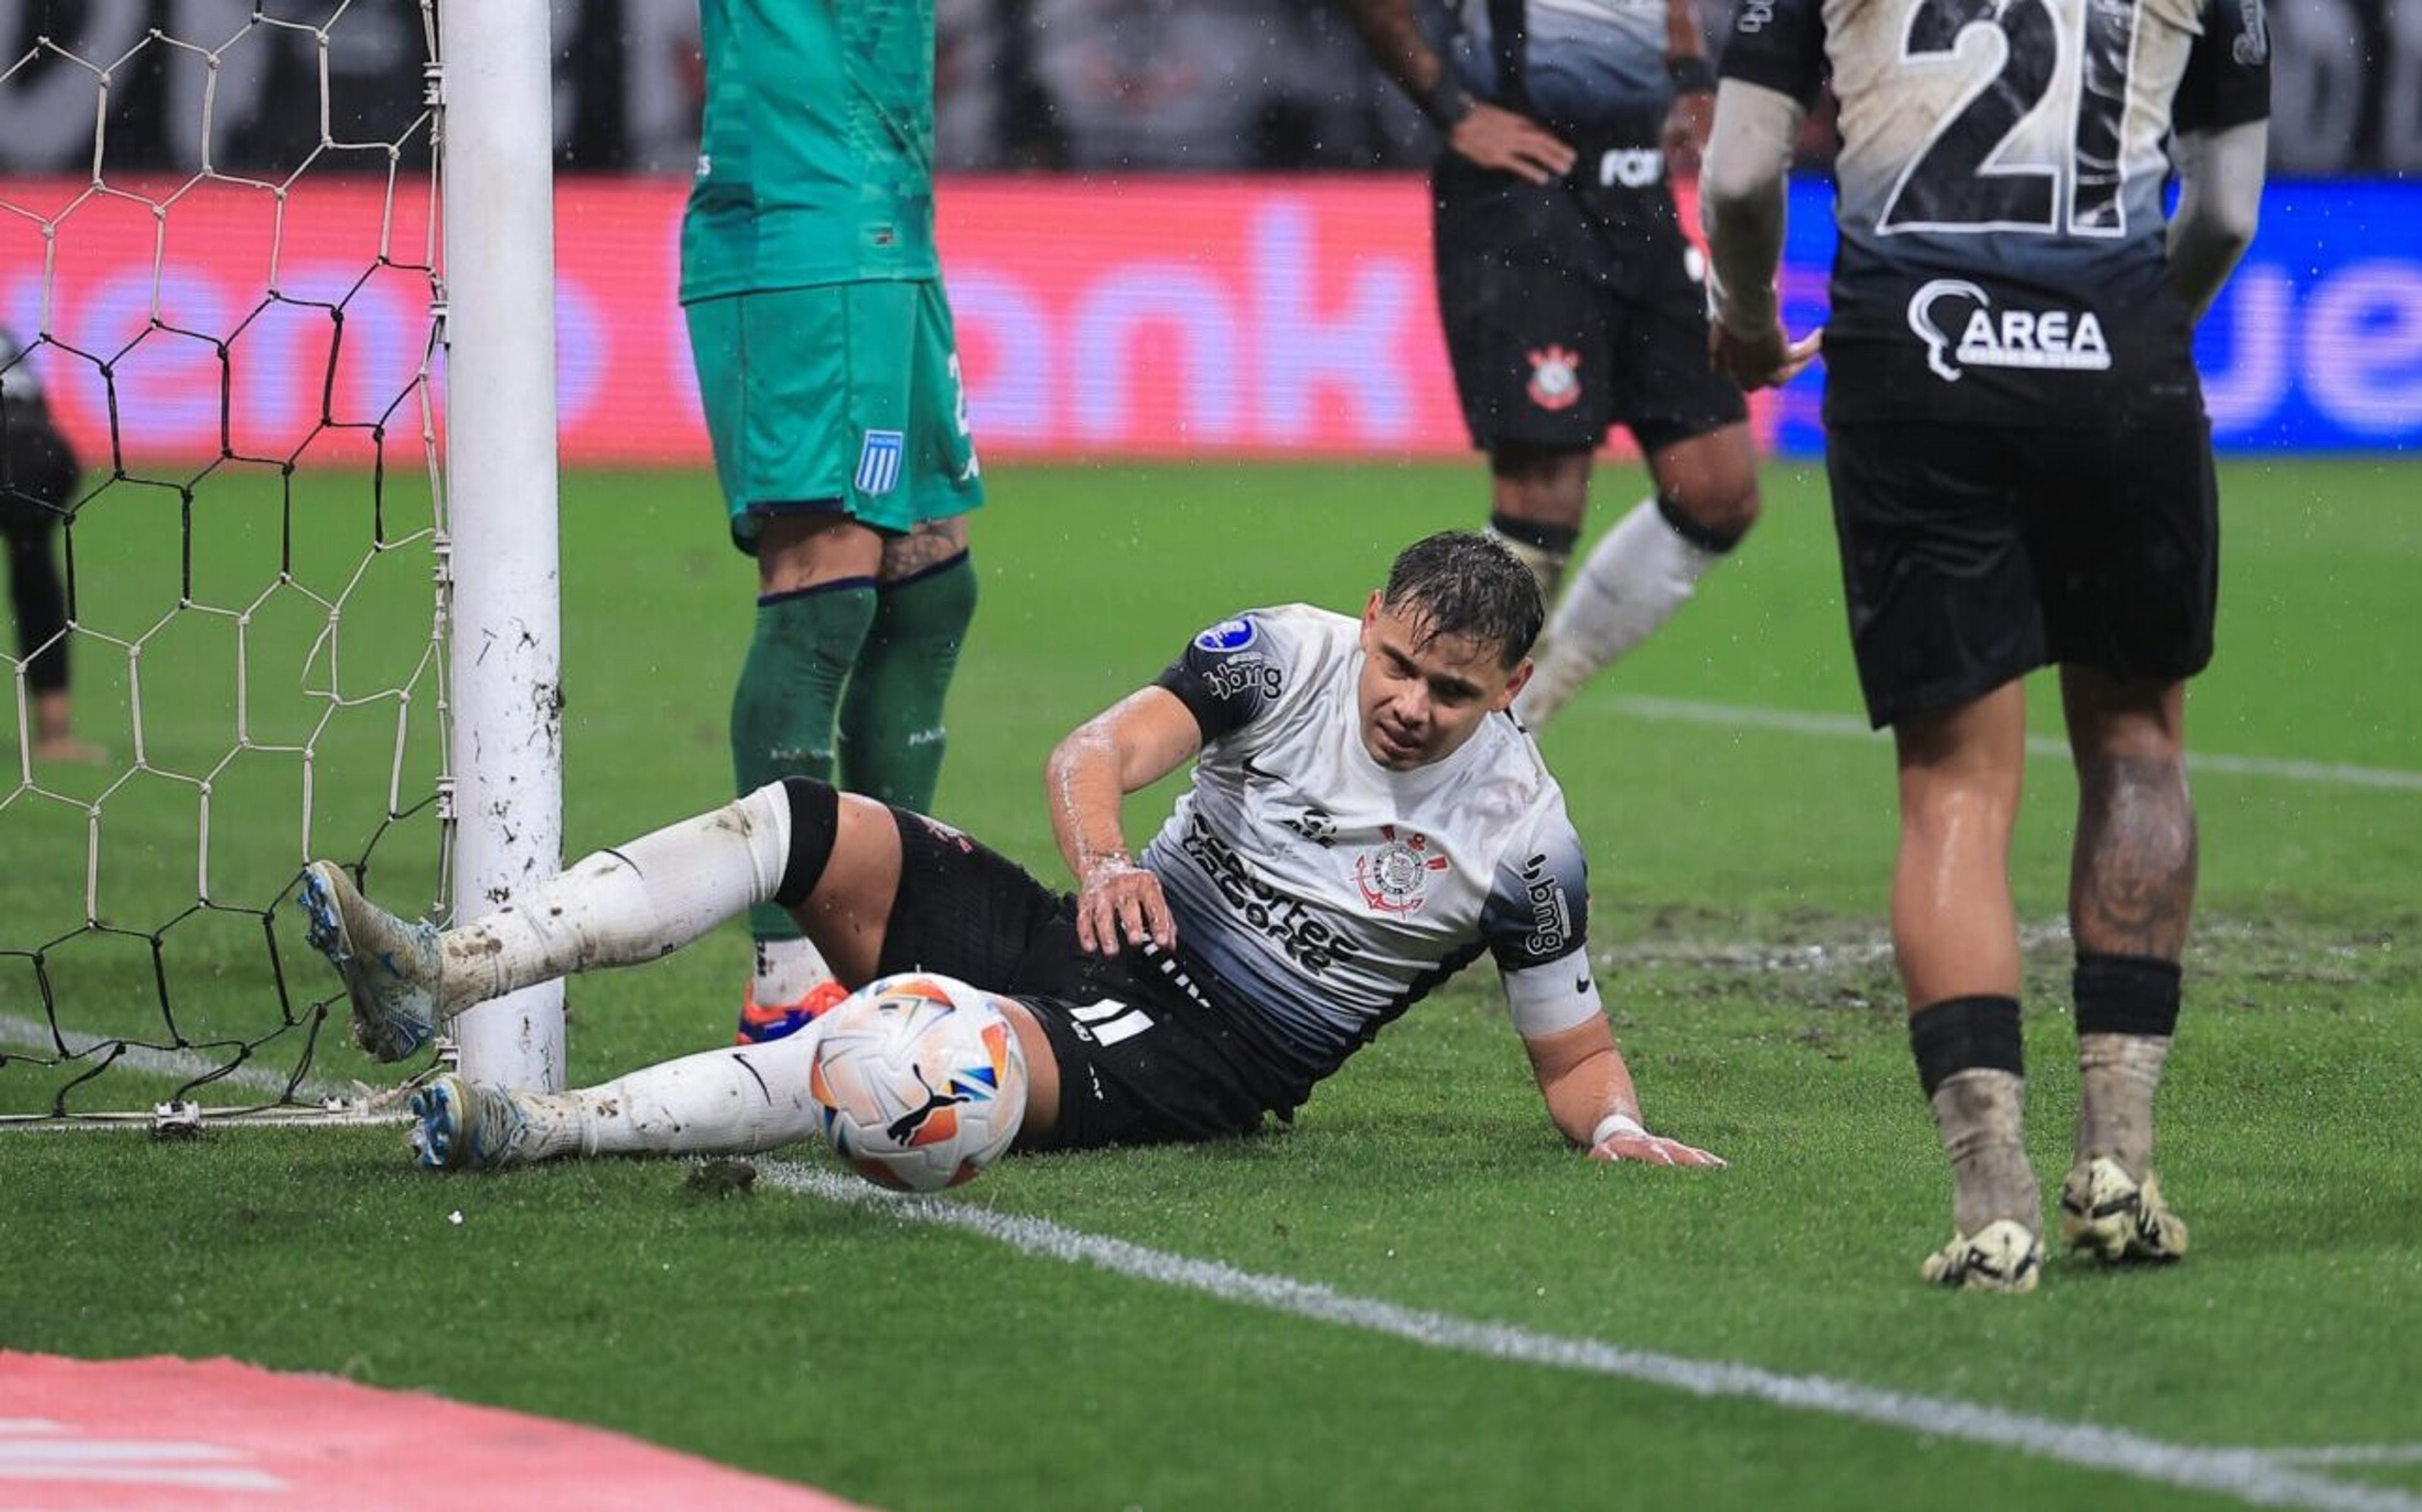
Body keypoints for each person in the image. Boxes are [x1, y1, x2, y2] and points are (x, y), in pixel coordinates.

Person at [298, 533, 1723, 1174]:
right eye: (1400, 664)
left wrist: (1612, 1127)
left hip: (1189, 1062)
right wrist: (1105, 865)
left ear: (1515, 683)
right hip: (1087, 929)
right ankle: (445, 968)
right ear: (1370, 618)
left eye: (1452, 691)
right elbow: (1091, 756)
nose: (1410, 705)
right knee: (800, 817)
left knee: (918, 1061)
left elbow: (1571, 1054)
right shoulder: (1286, 655)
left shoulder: (1524, 841)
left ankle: (535, 1130)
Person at [1700, 0, 2269, 1289]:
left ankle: (1990, 1200)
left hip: (1916, 358)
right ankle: (2121, 1158)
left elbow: (1739, 172)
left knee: (1955, 783)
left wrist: (1742, 315)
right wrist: (2128, 330)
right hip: (2116, 355)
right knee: (2138, 741)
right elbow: (2229, 207)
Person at [682, 0, 985, 1046]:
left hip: (891, 221)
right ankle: (788, 974)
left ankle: (898, 947)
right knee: (822, 596)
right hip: (806, 232)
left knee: (932, 582)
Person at [1339, 0, 1764, 731]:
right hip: (1522, 197)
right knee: (1544, 500)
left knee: (1718, 490)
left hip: (1638, 190)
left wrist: (1692, 77)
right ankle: (1429, 747)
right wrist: (1451, 108)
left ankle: (1517, 717)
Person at [0, 328, 102, 765]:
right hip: (46, 456)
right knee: (35, 572)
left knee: (34, 575)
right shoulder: (7, 335)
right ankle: (54, 732)